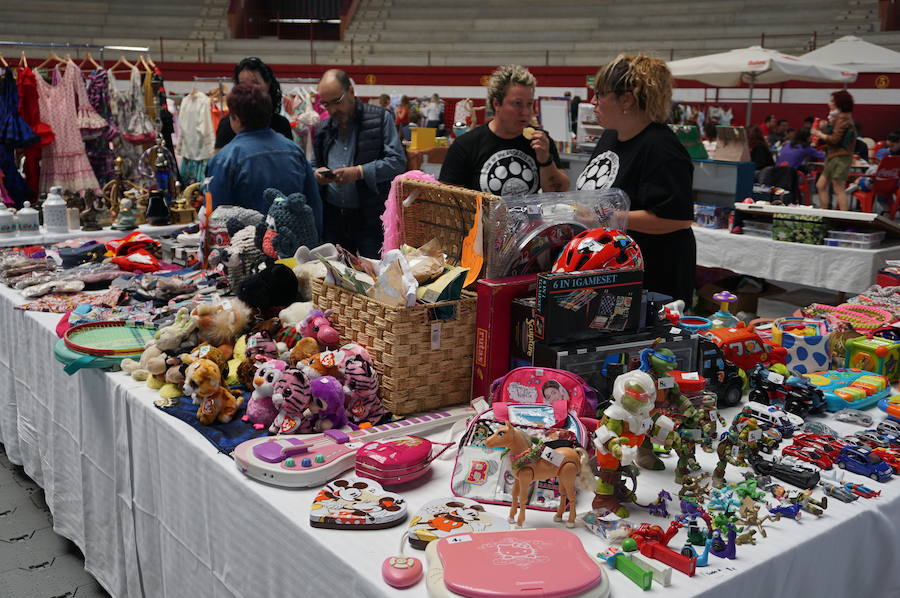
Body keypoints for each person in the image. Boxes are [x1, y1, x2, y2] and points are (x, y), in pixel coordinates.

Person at [575, 54, 694, 305]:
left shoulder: (662, 148)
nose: (593, 102)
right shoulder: (610, 137)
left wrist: (610, 217)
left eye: (599, 94)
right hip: (609, 272)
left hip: (651, 281)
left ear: (626, 99)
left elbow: (677, 218)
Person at [312, 69, 406, 258]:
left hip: (370, 218)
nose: (332, 110)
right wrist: (316, 174)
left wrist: (359, 172)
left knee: (374, 276)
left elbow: (397, 162)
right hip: (333, 220)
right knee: (335, 278)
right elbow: (313, 164)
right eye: (325, 104)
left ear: (351, 91)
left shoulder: (380, 119)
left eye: (337, 102)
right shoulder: (322, 129)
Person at [439, 64, 569, 195]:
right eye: (517, 103)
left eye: (529, 104)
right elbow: (446, 201)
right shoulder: (466, 145)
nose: (525, 112)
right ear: (496, 104)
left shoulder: (540, 141)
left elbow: (558, 192)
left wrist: (545, 159)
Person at [207, 84, 321, 229]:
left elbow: (217, 219)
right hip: (294, 246)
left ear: (235, 118)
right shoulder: (295, 152)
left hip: (243, 248)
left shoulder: (224, 159)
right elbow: (314, 207)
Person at [214, 57, 292, 150]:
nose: (249, 89)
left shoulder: (281, 124)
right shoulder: (228, 124)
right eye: (243, 84)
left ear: (268, 84)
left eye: (255, 83)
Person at [811, 90, 857, 210]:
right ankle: (824, 213)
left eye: (832, 101)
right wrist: (825, 127)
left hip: (840, 157)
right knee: (821, 185)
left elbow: (834, 139)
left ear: (839, 103)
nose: (829, 103)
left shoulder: (843, 119)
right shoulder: (838, 118)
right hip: (834, 156)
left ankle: (844, 218)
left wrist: (818, 133)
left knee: (839, 188)